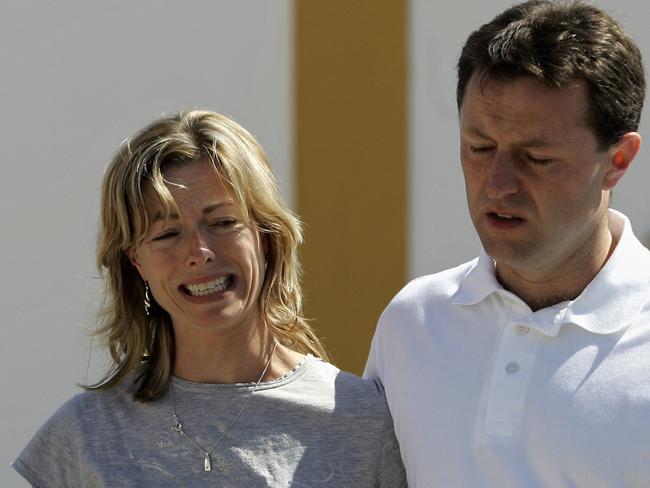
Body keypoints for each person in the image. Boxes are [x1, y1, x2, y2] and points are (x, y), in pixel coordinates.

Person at [14, 110, 406, 487]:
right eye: (168, 234)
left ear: (266, 237)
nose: (200, 252)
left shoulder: (361, 419)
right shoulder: (87, 434)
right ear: (137, 261)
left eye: (222, 223)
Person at [365, 1, 650, 486]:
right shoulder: (413, 322)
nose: (497, 184)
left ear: (618, 160)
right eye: (479, 148)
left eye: (535, 158)